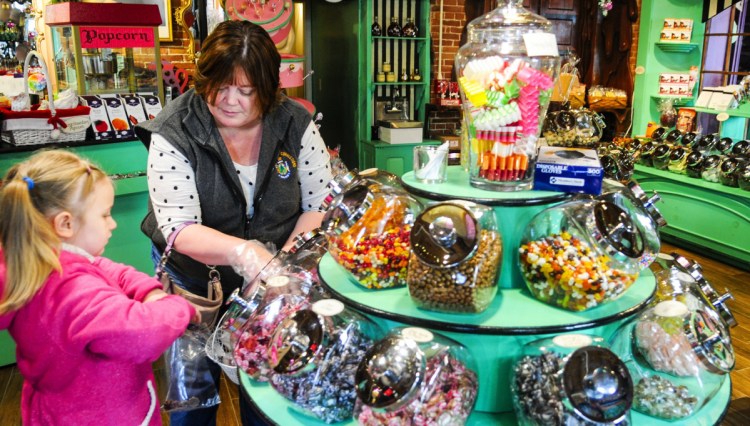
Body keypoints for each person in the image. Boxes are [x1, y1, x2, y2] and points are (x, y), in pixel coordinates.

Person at [135, 20, 333, 426]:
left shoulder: (295, 124)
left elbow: (318, 203)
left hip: (272, 283)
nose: (229, 101)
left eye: (246, 91)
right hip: (195, 286)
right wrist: (244, 252)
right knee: (194, 400)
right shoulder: (175, 130)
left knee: (266, 393)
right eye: (220, 86)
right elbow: (178, 227)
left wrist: (279, 266)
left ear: (269, 88)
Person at [0, 149, 198, 425]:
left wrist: (148, 290)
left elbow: (104, 268)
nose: (113, 223)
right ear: (65, 224)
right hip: (101, 415)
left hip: (56, 409)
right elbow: (142, 334)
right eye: (105, 215)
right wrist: (178, 307)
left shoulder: (34, 259)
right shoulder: (68, 291)